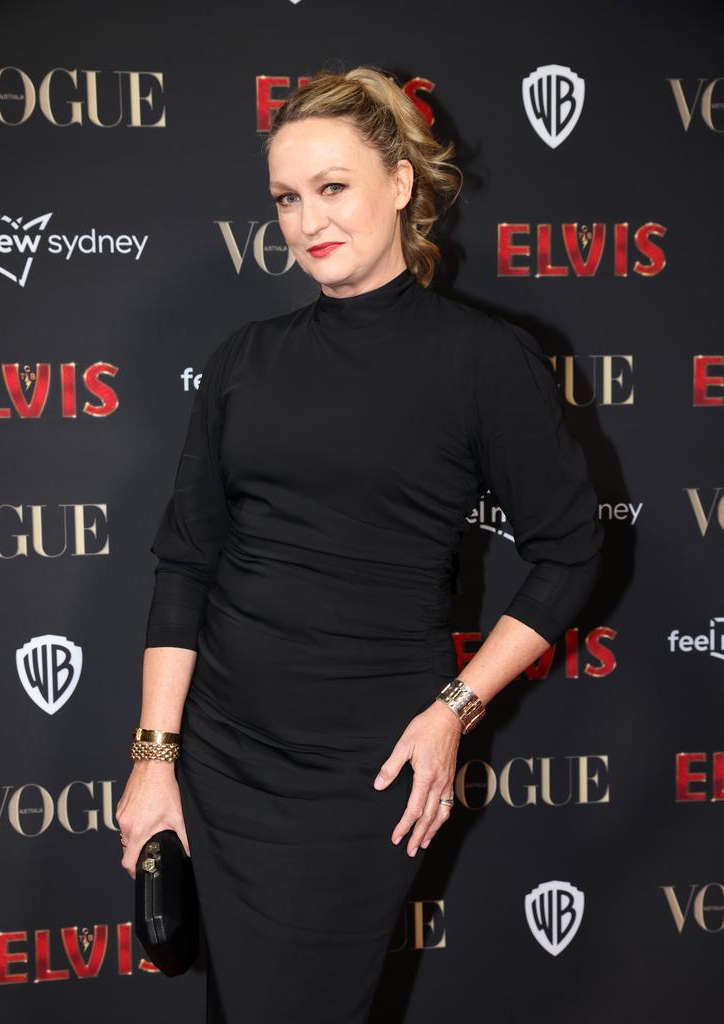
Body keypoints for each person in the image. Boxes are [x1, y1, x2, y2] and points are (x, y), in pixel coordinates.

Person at [115, 65, 604, 1022]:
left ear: (401, 184)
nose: (307, 221)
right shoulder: (245, 359)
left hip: (369, 766)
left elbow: (571, 552)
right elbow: (186, 565)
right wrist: (154, 755)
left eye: (332, 188)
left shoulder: (481, 359)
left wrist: (455, 710)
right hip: (223, 754)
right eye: (287, 199)